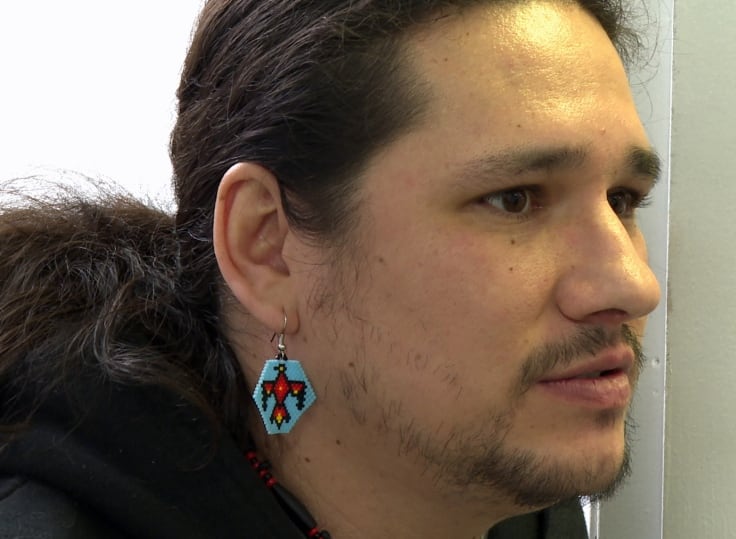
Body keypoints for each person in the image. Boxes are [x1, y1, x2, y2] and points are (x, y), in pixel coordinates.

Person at [0, 0, 661, 537]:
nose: (632, 284)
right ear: (267, 248)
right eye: (514, 199)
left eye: (623, 199)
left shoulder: (514, 499)